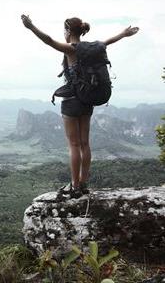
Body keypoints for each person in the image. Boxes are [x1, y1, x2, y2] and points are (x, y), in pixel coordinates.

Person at [20, 14, 139, 198]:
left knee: (73, 145)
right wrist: (124, 33)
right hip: (87, 100)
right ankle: (83, 183)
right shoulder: (92, 48)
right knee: (85, 144)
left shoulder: (71, 49)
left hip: (71, 102)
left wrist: (31, 27)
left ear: (68, 31)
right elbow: (108, 41)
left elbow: (49, 40)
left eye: (64, 31)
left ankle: (74, 186)